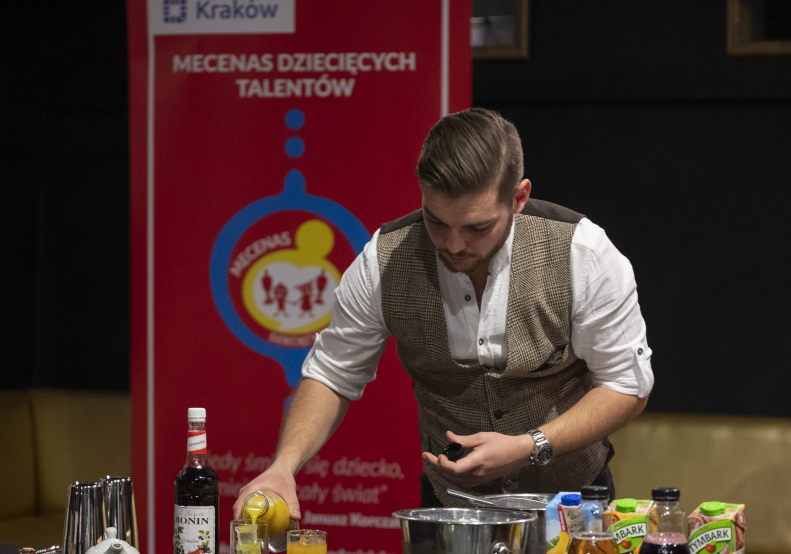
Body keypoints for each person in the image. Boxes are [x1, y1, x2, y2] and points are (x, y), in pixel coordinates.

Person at [234, 108, 653, 520]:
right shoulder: (384, 261)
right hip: (450, 509)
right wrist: (283, 466)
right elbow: (331, 374)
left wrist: (529, 446)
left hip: (571, 502)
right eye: (436, 222)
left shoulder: (582, 253)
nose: (453, 245)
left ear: (518, 198)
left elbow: (626, 385)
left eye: (476, 228)